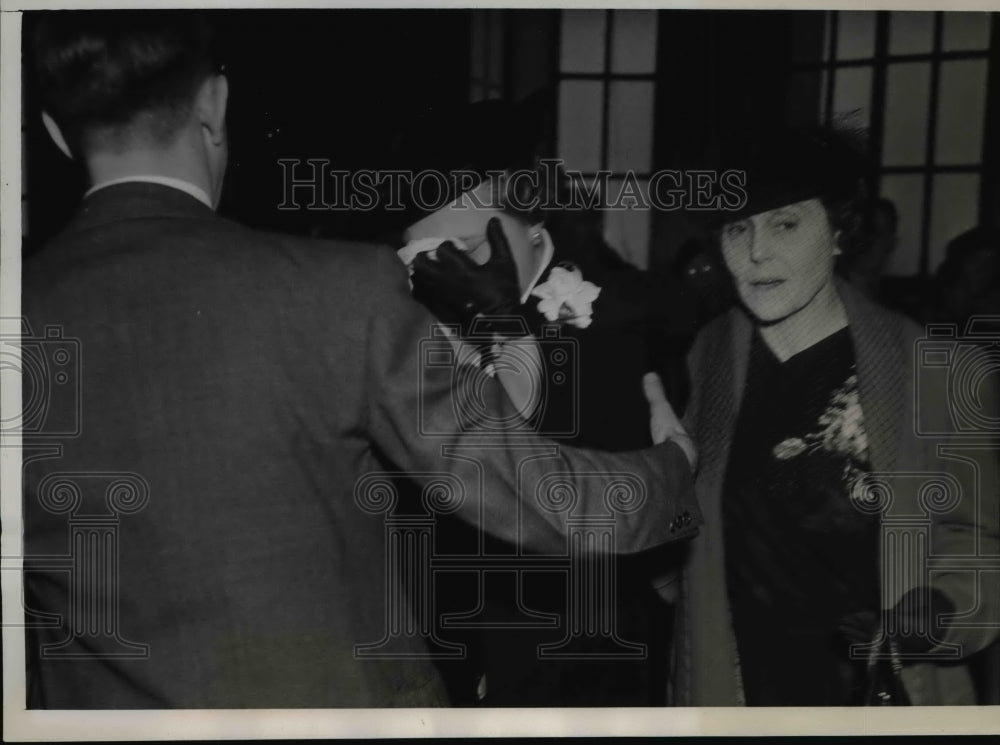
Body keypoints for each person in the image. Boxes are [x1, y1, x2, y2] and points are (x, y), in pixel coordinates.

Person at [21, 12, 702, 708]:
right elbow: (527, 490)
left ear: (53, 130)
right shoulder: (340, 291)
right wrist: (675, 469)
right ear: (214, 103)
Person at [666, 127, 999, 706]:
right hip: (736, 691)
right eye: (738, 228)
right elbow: (679, 540)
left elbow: (977, 543)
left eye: (786, 225)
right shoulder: (704, 358)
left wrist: (940, 610)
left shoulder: (936, 370)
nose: (757, 251)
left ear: (841, 231)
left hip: (872, 694)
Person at [384, 98, 697, 706]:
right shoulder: (406, 328)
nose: (451, 274)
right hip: (443, 650)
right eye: (425, 257)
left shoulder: (621, 320)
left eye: (469, 247)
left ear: (532, 221)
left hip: (578, 656)